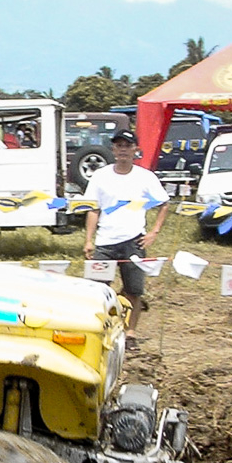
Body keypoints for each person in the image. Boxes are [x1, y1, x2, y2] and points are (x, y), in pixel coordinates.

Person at [83, 128, 170, 350]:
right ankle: (99, 330)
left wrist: (154, 232)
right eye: (119, 145)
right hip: (105, 242)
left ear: (135, 150)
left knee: (133, 290)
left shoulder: (145, 177)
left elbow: (164, 203)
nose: (123, 150)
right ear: (113, 149)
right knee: (97, 290)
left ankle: (130, 334)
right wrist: (88, 240)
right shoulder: (100, 176)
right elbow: (93, 209)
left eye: (127, 146)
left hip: (133, 241)